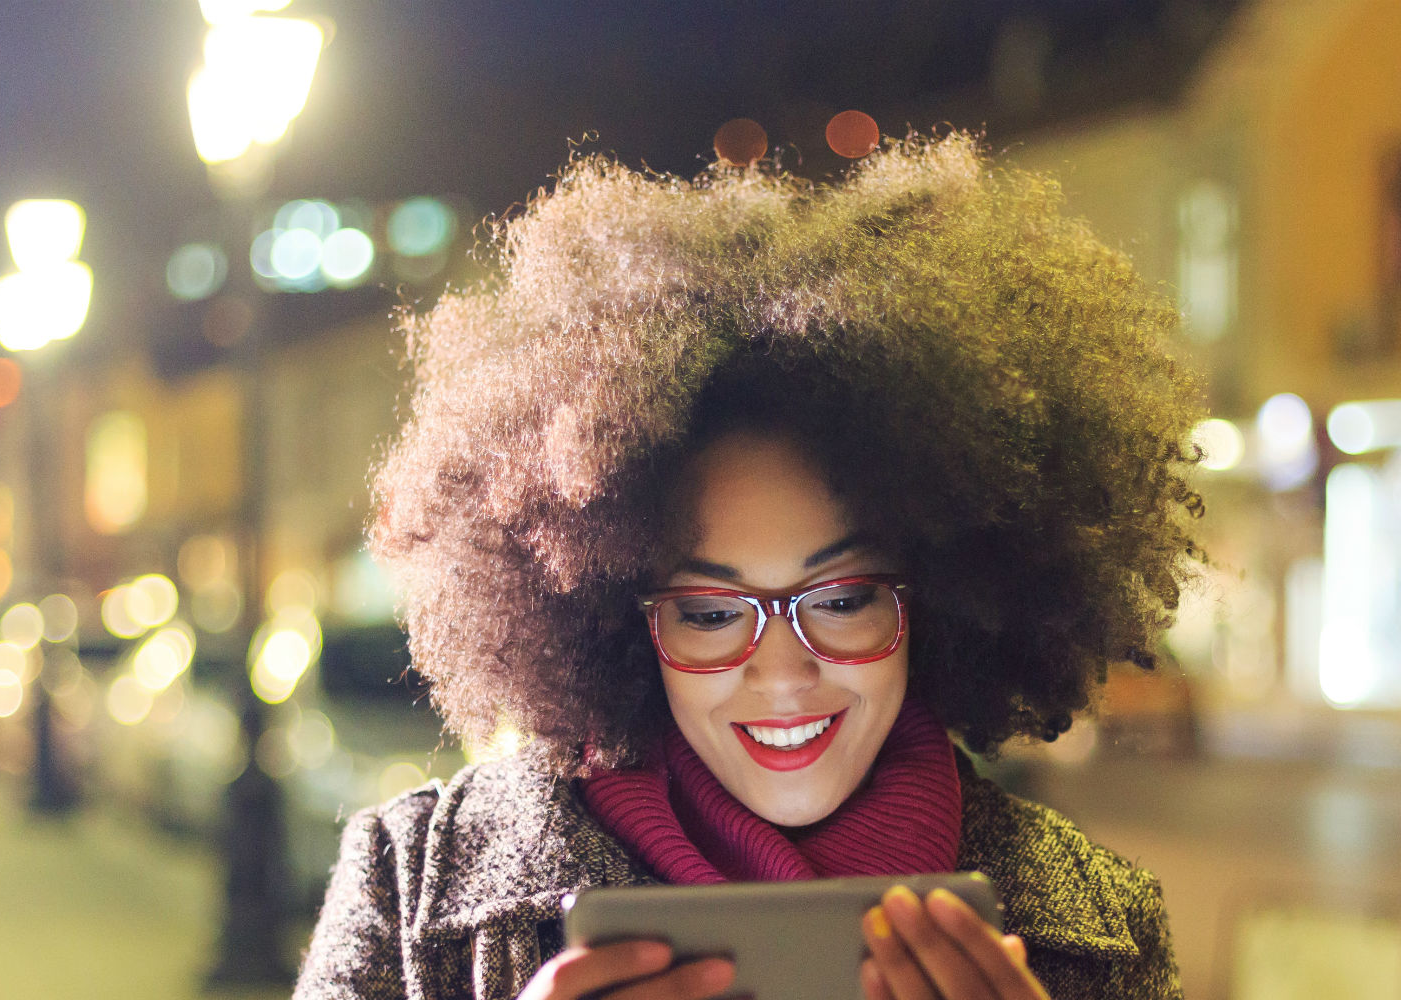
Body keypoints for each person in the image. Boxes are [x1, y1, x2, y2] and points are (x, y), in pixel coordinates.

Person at [294, 132, 1203, 1000]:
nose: (781, 673)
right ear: (617, 622)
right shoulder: (410, 888)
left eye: (843, 598)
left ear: (942, 600)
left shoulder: (1098, 930)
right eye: (710, 612)